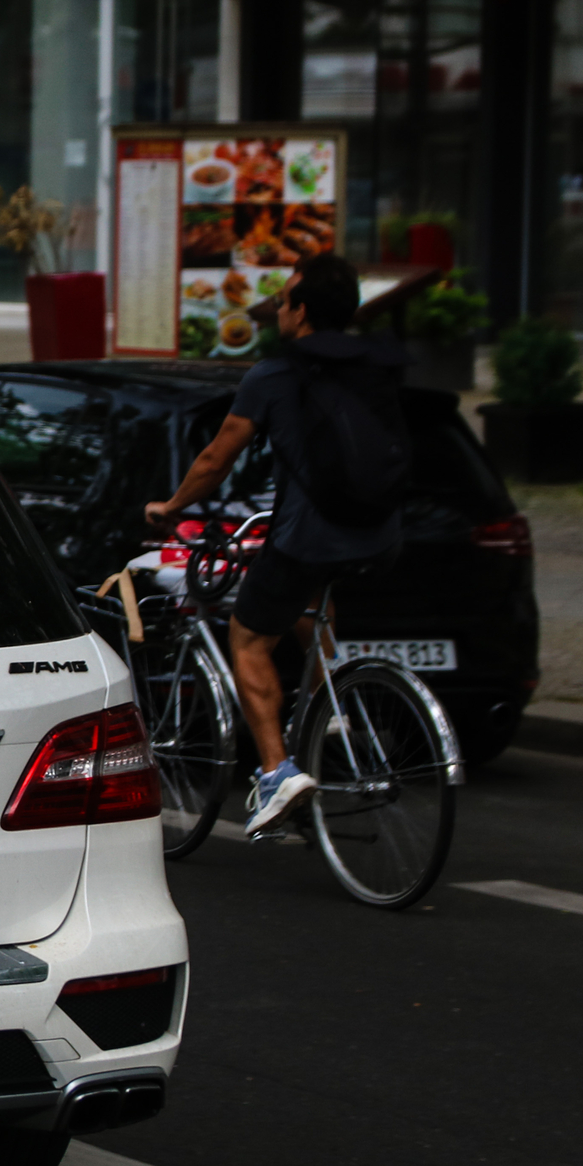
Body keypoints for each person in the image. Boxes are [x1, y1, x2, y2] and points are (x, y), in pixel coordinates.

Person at [143, 251, 410, 838]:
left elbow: (217, 460)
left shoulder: (274, 375)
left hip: (310, 534)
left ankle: (275, 771)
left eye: (285, 300)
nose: (279, 311)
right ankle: (331, 708)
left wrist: (171, 506)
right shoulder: (377, 366)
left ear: (303, 312)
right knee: (309, 603)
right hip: (381, 532)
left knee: (247, 634)